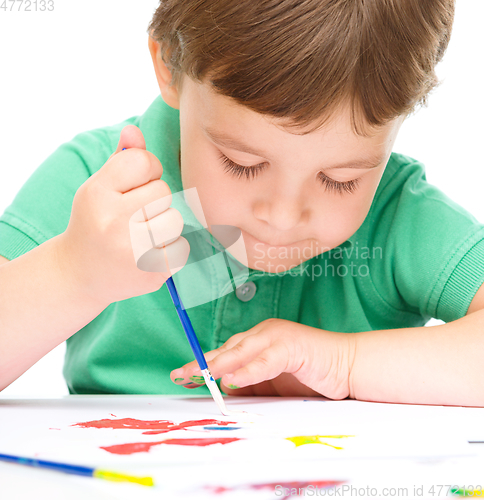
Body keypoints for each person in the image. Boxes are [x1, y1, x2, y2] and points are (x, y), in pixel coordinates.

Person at [1, 0, 483, 406]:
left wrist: (347, 362)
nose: (282, 216)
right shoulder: (98, 188)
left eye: (340, 180)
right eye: (242, 164)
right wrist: (71, 273)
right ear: (170, 65)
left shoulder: (399, 215)